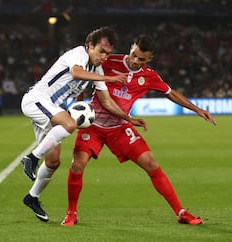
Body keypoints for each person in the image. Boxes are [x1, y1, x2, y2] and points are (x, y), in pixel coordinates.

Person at [60, 35, 217, 226]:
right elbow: (85, 75)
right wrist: (79, 100)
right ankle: (71, 213)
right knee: (78, 165)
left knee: (150, 163)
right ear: (131, 48)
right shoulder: (109, 61)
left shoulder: (149, 76)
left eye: (141, 59)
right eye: (133, 54)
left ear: (149, 59)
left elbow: (171, 93)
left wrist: (197, 109)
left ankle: (181, 212)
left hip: (120, 127)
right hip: (93, 125)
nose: (135, 61)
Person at [20, 26, 146, 222]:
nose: (104, 57)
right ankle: (31, 158)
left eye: (108, 53)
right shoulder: (77, 54)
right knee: (70, 124)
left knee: (53, 162)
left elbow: (106, 101)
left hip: (52, 110)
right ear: (90, 45)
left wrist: (128, 118)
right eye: (101, 51)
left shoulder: (97, 69)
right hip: (37, 100)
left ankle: (32, 197)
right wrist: (109, 77)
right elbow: (76, 73)